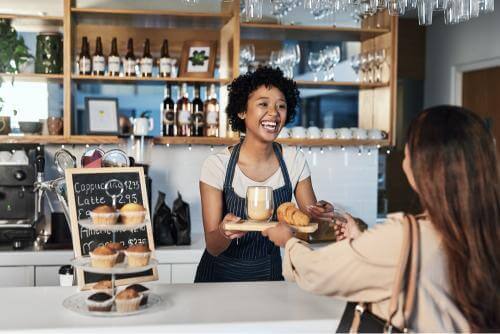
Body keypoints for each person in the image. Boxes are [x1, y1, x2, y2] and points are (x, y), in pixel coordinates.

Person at [263, 106, 500, 332]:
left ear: (425, 166)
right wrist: (363, 240)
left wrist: (289, 242)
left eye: (410, 148)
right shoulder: (487, 231)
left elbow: (319, 272)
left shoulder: (403, 236)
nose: (405, 154)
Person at [194, 67, 334, 282]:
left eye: (281, 106)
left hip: (269, 275)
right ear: (241, 111)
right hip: (218, 279)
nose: (274, 113)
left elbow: (308, 229)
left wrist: (321, 215)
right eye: (263, 104)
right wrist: (224, 232)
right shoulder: (217, 165)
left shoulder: (293, 160)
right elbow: (213, 246)